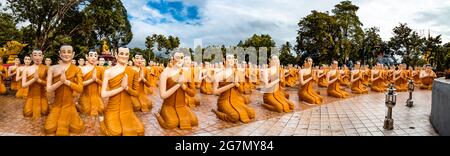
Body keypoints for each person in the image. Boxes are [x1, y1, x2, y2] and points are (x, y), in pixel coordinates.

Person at [100, 47, 144, 136]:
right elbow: (103, 94)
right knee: (115, 132)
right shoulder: (108, 72)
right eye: (121, 53)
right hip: (113, 109)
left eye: (126, 54)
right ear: (116, 55)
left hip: (127, 110)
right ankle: (102, 121)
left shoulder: (133, 72)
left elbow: (136, 93)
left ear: (129, 56)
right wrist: (121, 88)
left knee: (140, 131)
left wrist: (127, 88)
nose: (124, 56)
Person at [45, 45, 85, 136]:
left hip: (69, 104)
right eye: (63, 52)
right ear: (59, 53)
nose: (66, 54)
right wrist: (60, 82)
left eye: (69, 52)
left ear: (73, 54)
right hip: (56, 104)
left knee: (76, 127)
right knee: (49, 128)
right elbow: (48, 89)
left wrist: (66, 82)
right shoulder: (52, 68)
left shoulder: (77, 69)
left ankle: (76, 109)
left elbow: (80, 89)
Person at [154, 52, 198, 129]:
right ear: (172, 59)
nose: (180, 60)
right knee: (171, 123)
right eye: (177, 57)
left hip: (182, 106)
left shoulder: (187, 73)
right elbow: (162, 95)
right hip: (168, 105)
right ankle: (159, 114)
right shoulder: (165, 73)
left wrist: (183, 86)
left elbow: (193, 93)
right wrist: (178, 84)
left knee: (194, 121)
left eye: (182, 58)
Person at [211, 54, 255, 123]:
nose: (231, 60)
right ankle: (217, 112)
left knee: (251, 113)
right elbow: (214, 92)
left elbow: (241, 90)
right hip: (224, 101)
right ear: (224, 60)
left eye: (232, 58)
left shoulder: (237, 72)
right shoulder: (219, 74)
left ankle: (225, 111)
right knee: (234, 116)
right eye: (229, 58)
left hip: (236, 100)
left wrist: (237, 84)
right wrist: (232, 84)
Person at [21, 50, 48, 119]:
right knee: (27, 113)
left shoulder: (46, 68)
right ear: (32, 57)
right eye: (35, 55)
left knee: (44, 111)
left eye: (39, 55)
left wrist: (39, 80)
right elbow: (23, 85)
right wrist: (34, 79)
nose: (37, 57)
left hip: (42, 96)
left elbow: (49, 84)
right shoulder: (26, 70)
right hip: (31, 96)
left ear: (42, 57)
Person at [79, 50, 104, 116]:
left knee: (101, 109)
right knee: (86, 110)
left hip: (96, 96)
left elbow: (104, 84)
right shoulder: (82, 69)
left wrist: (97, 80)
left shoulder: (100, 69)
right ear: (87, 57)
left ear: (97, 57)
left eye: (95, 56)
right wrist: (91, 80)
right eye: (91, 55)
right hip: (85, 95)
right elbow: (80, 84)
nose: (93, 57)